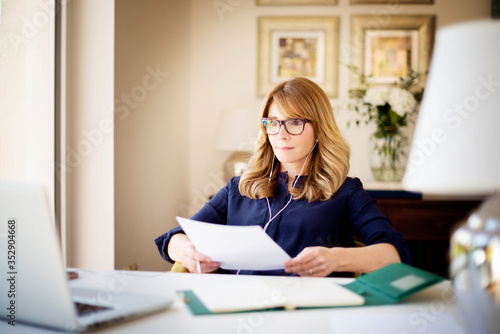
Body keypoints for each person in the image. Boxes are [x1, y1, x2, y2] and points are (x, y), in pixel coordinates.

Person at [155, 77, 411, 277]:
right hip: (231, 308)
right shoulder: (240, 187)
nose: (281, 134)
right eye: (273, 122)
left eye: (295, 122)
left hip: (304, 314)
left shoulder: (345, 192)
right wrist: (188, 252)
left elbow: (394, 254)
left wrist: (336, 258)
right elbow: (174, 238)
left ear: (319, 129)